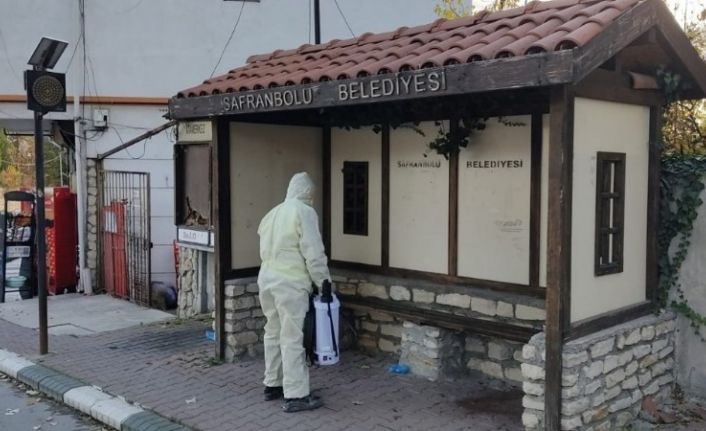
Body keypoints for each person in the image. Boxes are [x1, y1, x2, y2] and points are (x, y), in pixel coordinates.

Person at [257, 172, 330, 413]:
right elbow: (314, 252)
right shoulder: (304, 212)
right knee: (292, 338)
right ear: (307, 193)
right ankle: (296, 394)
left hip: (267, 280)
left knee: (272, 332)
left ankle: (273, 384)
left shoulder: (272, 213)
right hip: (290, 282)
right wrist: (324, 283)